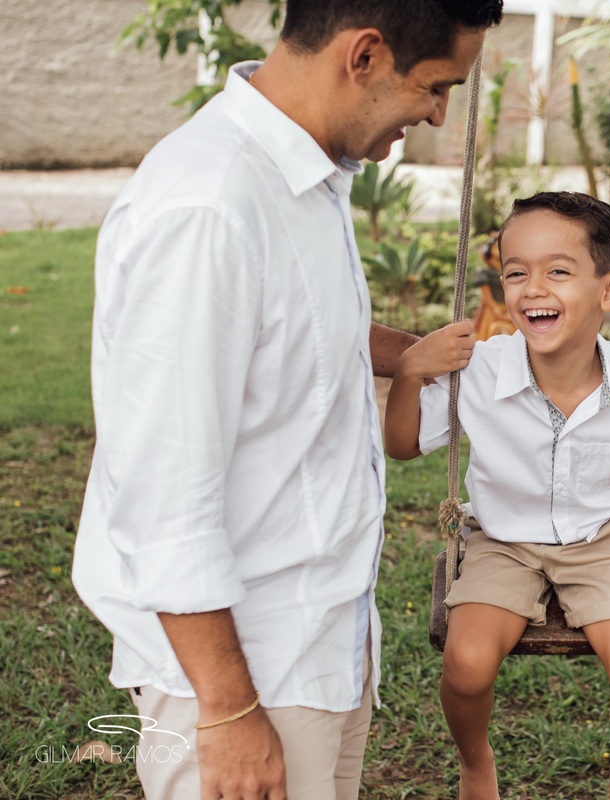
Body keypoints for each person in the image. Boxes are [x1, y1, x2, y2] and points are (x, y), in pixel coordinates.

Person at [71, 2, 502, 799]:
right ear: (364, 55)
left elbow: (306, 319)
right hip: (246, 671)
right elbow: (162, 498)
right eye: (437, 87)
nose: (440, 114)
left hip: (321, 643)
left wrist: (423, 357)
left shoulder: (301, 171)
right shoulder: (209, 208)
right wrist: (230, 712)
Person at [385, 192, 610, 800]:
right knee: (467, 663)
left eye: (557, 271)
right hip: (502, 541)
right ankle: (476, 766)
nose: (533, 288)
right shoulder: (478, 370)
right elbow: (402, 445)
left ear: (609, 291)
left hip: (602, 540)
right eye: (515, 271)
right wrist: (407, 373)